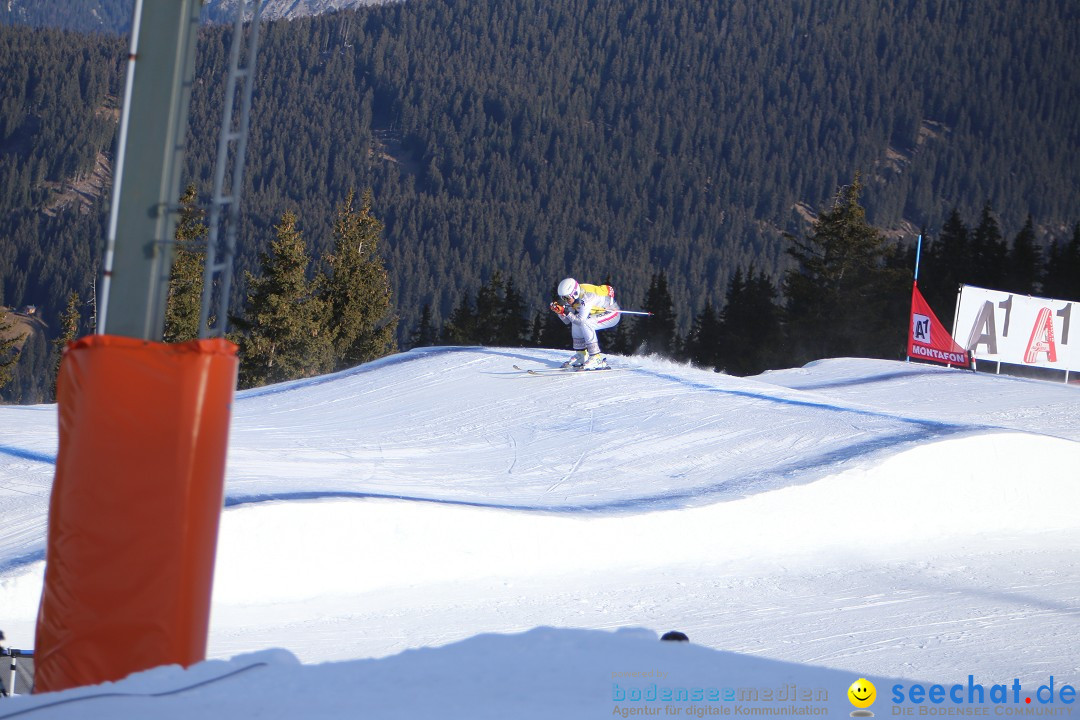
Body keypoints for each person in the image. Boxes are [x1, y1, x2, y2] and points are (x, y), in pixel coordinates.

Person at [549, 277, 620, 369]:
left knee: (586, 323)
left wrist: (565, 312)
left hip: (612, 314)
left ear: (574, 292)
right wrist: (560, 312)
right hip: (597, 314)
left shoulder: (587, 297)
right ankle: (581, 355)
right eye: (562, 297)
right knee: (576, 321)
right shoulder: (572, 299)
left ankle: (596, 358)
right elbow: (568, 321)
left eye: (566, 297)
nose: (565, 300)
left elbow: (581, 321)